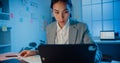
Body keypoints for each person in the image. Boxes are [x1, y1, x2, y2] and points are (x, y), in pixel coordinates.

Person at [20, 0, 102, 62]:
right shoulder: (49, 28)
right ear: (52, 11)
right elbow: (50, 51)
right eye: (56, 12)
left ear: (70, 10)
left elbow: (96, 52)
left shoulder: (82, 27)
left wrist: (86, 59)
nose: (61, 17)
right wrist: (34, 52)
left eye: (65, 12)